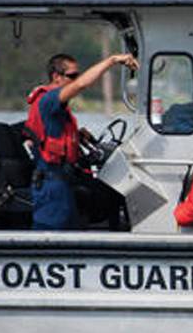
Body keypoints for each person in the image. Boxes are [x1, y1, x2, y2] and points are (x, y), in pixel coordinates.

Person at [26, 52, 139, 230]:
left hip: (64, 181)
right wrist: (113, 60)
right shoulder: (49, 99)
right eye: (71, 76)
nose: (75, 80)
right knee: (48, 240)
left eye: (76, 75)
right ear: (56, 77)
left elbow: (51, 136)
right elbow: (82, 85)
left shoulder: (57, 109)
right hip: (51, 186)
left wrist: (76, 136)